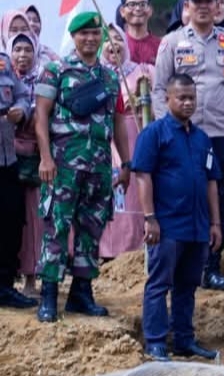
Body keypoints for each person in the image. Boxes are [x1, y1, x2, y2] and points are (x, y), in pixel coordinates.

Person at [35, 12, 132, 323]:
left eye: (95, 33)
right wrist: (46, 158)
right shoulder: (55, 71)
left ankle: (81, 292)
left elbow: (118, 123)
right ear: (74, 37)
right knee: (57, 227)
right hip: (63, 164)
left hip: (100, 164)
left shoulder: (110, 77)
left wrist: (126, 162)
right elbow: (40, 118)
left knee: (92, 228)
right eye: (84, 34)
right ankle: (49, 293)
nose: (90, 38)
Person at [154, 0, 224, 293]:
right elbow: (160, 88)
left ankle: (211, 265)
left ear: (216, 6)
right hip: (182, 134)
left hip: (221, 133)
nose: (202, 7)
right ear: (187, 5)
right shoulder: (172, 42)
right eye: (196, 2)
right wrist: (167, 129)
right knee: (181, 195)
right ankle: (182, 265)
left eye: (208, 2)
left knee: (220, 198)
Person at [132, 74, 222, 362]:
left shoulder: (202, 138)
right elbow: (143, 176)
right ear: (168, 98)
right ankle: (156, 342)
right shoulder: (154, 134)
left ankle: (183, 339)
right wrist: (150, 218)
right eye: (181, 97)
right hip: (167, 224)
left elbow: (211, 182)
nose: (187, 102)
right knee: (159, 282)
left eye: (191, 98)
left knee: (188, 284)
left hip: (197, 226)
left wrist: (216, 223)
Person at [99, 29, 152, 260]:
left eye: (118, 38)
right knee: (108, 191)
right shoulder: (95, 75)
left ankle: (134, 249)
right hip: (104, 140)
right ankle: (105, 251)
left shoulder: (143, 71)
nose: (113, 44)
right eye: (107, 40)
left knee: (132, 192)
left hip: (134, 137)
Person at [0, 33, 33, 309]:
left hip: (7, 160)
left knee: (10, 223)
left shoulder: (3, 62)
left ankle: (5, 286)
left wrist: (21, 111)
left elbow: (22, 94)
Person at [8, 29, 41, 299]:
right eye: (17, 49)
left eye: (27, 49)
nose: (22, 55)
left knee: (31, 222)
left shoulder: (43, 79)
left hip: (33, 158)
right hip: (5, 158)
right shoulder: (3, 78)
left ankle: (30, 279)